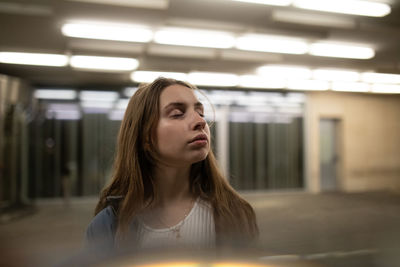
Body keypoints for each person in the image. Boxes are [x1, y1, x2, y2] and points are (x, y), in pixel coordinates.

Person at [85, 77, 258, 256]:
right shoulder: (108, 226)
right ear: (145, 137)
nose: (200, 122)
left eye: (201, 113)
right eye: (177, 114)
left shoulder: (233, 213)